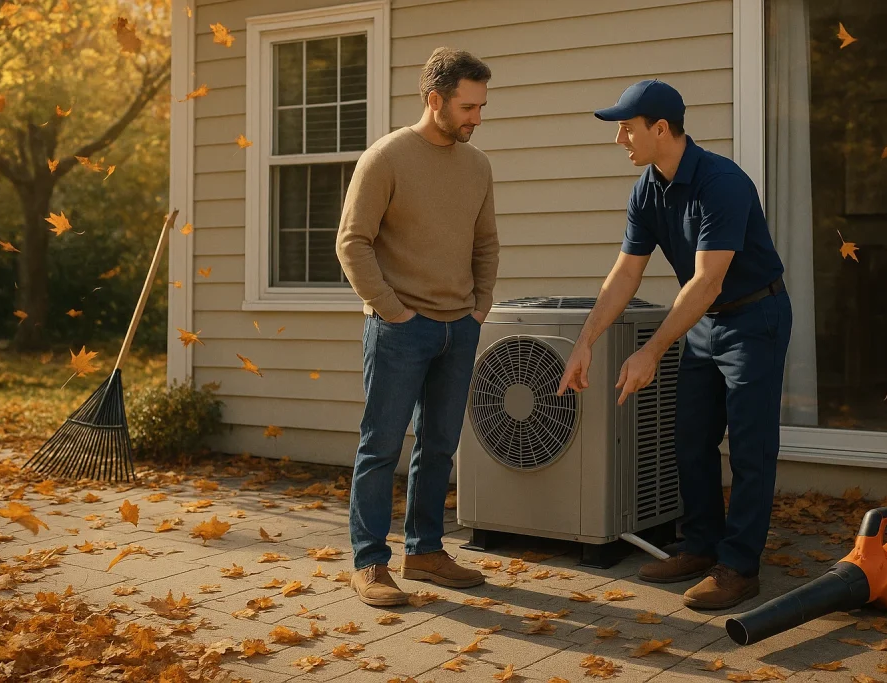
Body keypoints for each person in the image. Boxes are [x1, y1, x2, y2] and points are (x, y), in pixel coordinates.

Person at [557, 80, 792, 610]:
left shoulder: (722, 183)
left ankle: (739, 566)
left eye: (626, 127)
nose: (619, 137)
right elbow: (626, 274)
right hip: (705, 321)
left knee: (751, 447)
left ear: (659, 128)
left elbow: (708, 280)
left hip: (755, 316)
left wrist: (652, 349)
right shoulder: (647, 187)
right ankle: (702, 546)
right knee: (690, 436)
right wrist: (585, 341)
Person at [335, 47, 500, 607]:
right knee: (381, 446)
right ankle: (369, 562)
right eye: (468, 106)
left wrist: (481, 305)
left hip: (460, 327)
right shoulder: (385, 158)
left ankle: (425, 551)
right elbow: (352, 242)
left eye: (481, 105)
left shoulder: (477, 165)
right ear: (435, 100)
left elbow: (485, 241)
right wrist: (390, 309)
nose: (477, 116)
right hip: (400, 328)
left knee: (439, 445)